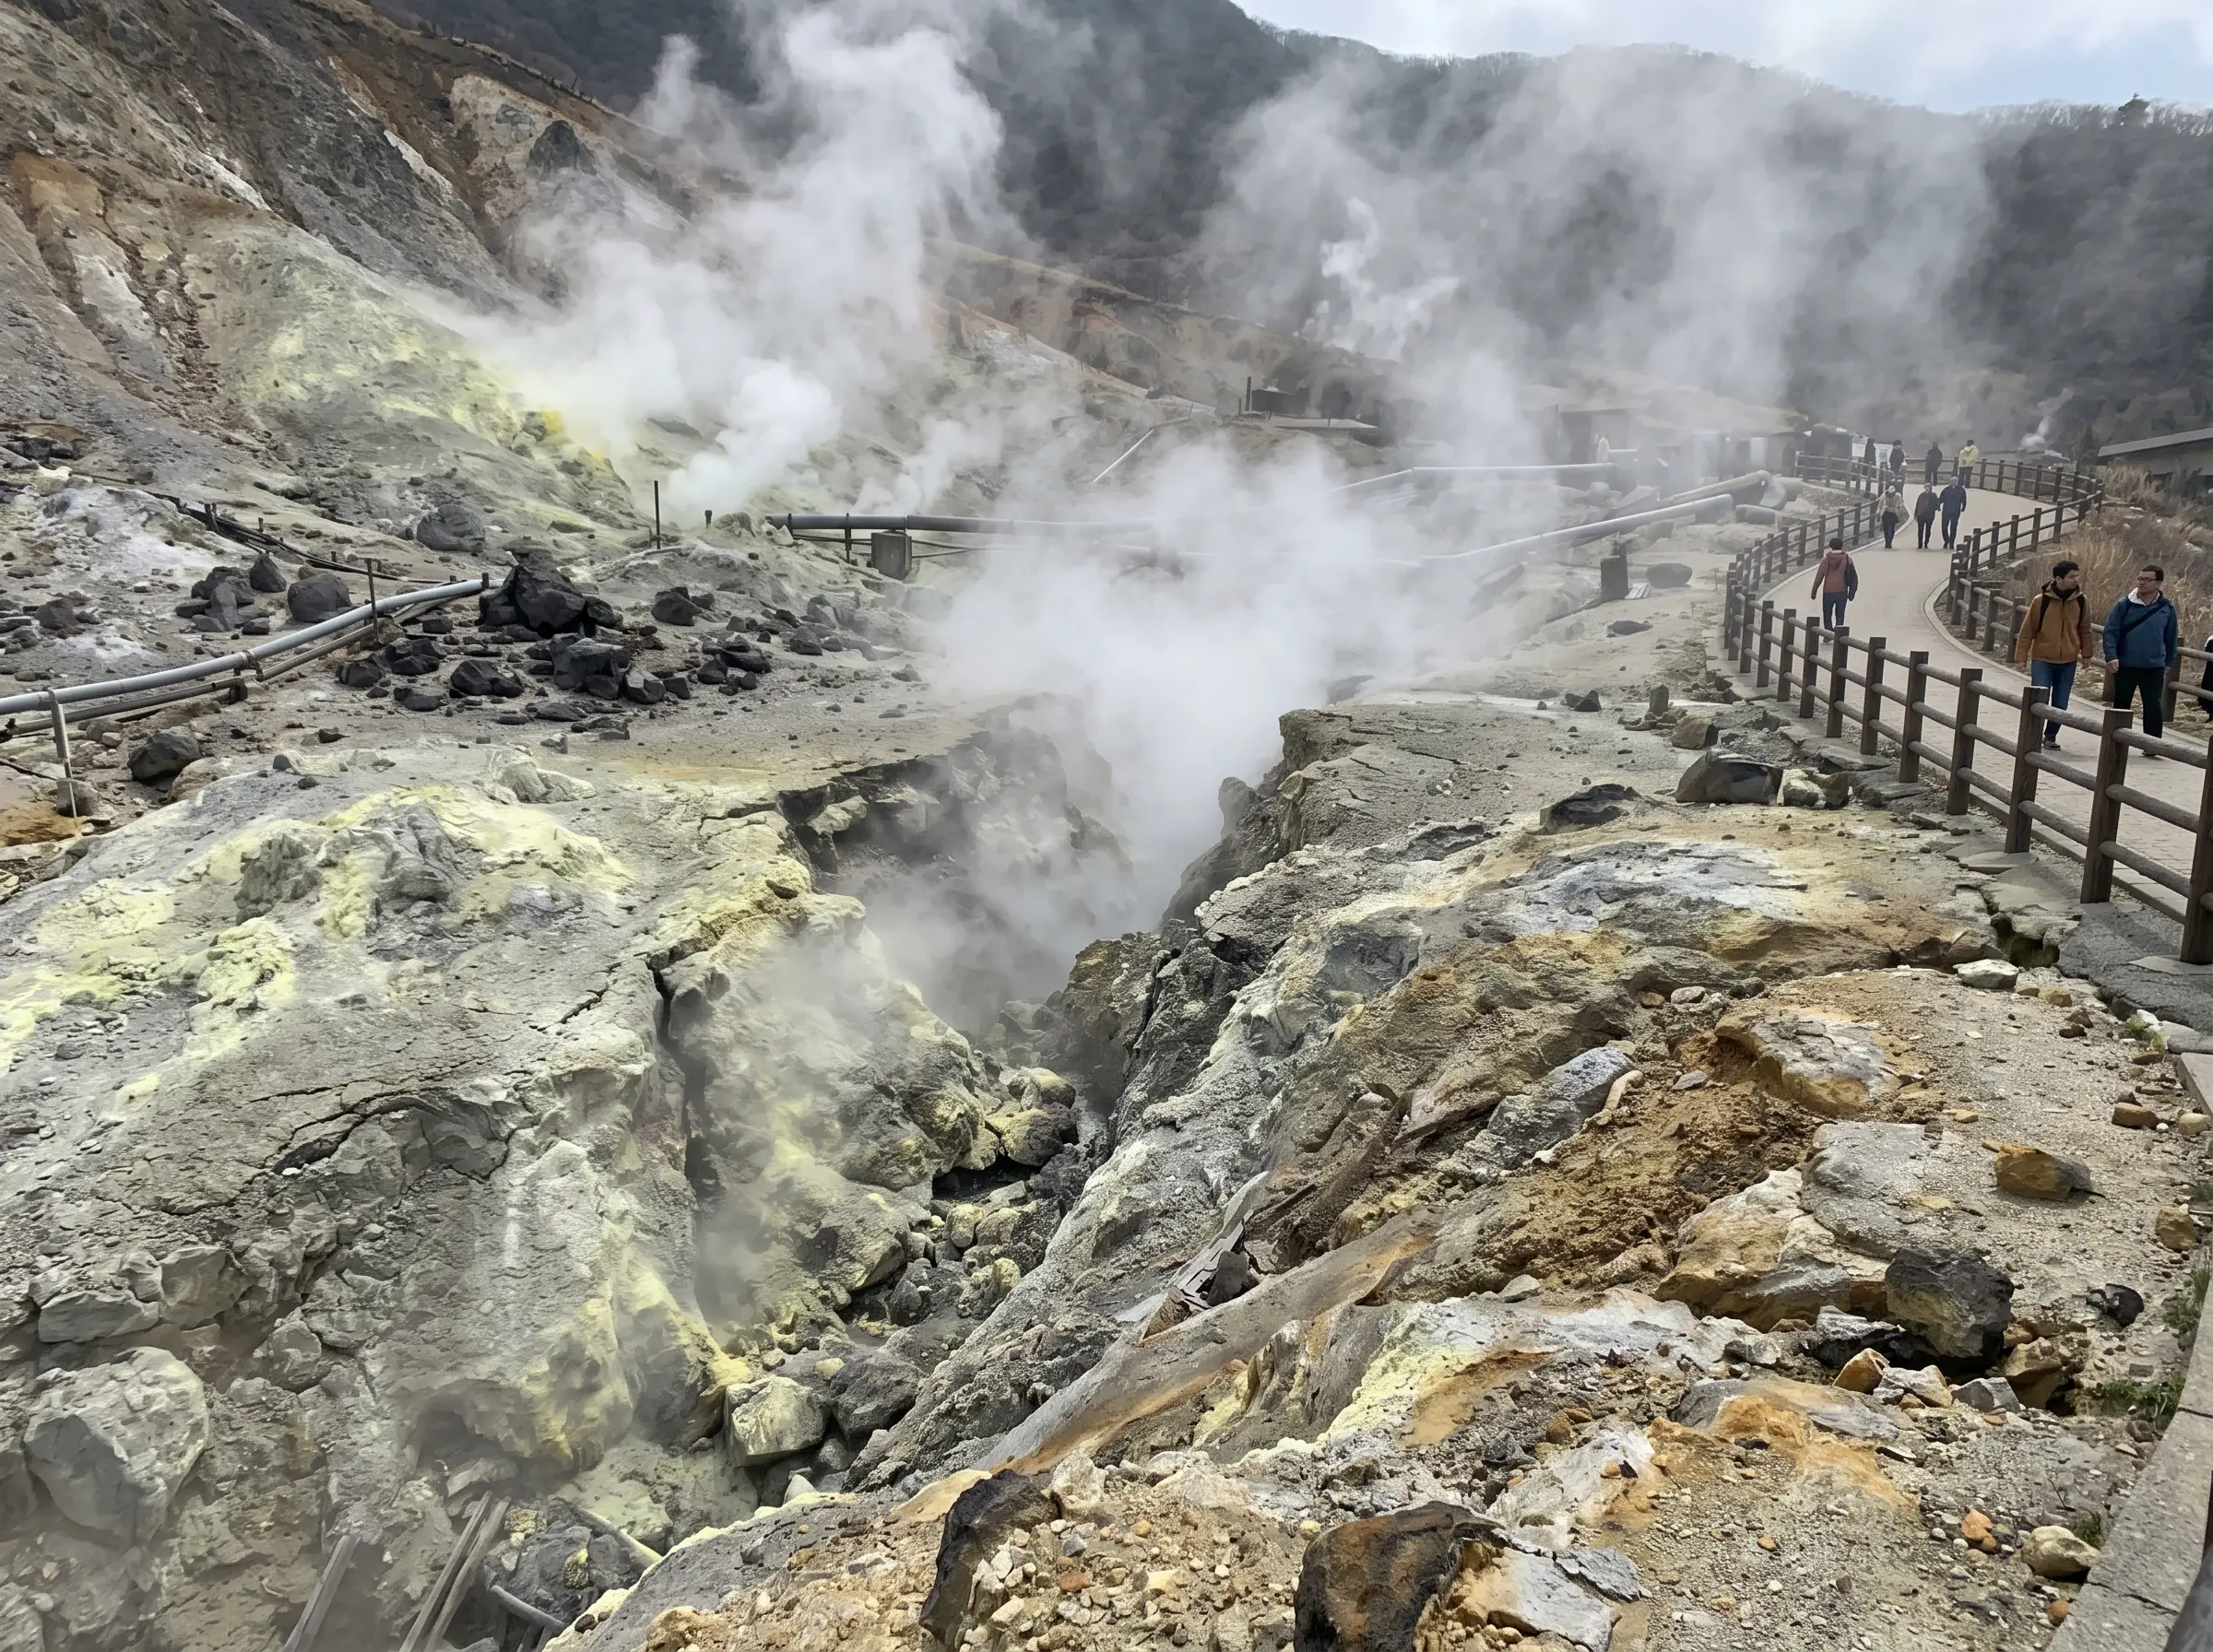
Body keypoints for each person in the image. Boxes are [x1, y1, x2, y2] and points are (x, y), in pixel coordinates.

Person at [2013, 560, 2095, 748]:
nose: (2076, 580)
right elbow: (2027, 631)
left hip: (2068, 660)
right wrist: (2021, 658)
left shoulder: (2081, 601)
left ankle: (2050, 736)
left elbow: (2085, 629)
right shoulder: (2041, 601)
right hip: (2043, 659)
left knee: (2061, 703)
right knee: (2038, 698)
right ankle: (2032, 735)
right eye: (2071, 577)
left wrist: (2087, 654)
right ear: (2058, 578)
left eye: (2077, 576)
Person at [2103, 564, 2180, 746]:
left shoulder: (2166, 608)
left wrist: (2169, 660)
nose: (2142, 583)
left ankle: (2152, 745)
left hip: (2154, 666)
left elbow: (2171, 636)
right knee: (2122, 704)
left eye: (2147, 579)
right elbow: (2110, 631)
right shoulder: (2124, 605)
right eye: (2140, 579)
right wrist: (2111, 656)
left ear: (2158, 583)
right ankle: (2116, 743)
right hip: (2126, 664)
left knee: (2153, 705)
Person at [1810, 535, 1856, 631]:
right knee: (1840, 614)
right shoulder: (1847, 559)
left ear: (1831, 546)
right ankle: (1838, 633)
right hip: (1842, 590)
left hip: (1828, 591)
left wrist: (1814, 591)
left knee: (1827, 613)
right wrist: (1852, 592)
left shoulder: (1826, 560)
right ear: (1841, 546)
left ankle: (1828, 633)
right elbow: (1853, 577)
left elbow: (1819, 576)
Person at [1939, 476, 1968, 549]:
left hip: (1955, 511)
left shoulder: (1961, 490)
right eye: (1952, 480)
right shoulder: (1946, 490)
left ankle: (1952, 542)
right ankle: (1946, 541)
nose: (1954, 482)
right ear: (1950, 481)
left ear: (1957, 482)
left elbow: (1964, 499)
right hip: (1946, 511)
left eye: (1955, 481)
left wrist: (1963, 507)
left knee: (1953, 527)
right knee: (1944, 527)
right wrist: (1937, 506)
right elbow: (1940, 499)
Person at [1913, 482, 1939, 549]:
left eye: (1928, 487)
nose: (1927, 489)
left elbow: (1937, 505)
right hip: (1921, 515)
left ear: (1930, 488)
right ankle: (1920, 544)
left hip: (1929, 515)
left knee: (1928, 529)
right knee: (1920, 530)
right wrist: (1915, 514)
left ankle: (1926, 543)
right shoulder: (1921, 495)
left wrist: (1934, 508)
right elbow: (1917, 505)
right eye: (1926, 487)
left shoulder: (1934, 496)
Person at [1879, 483, 1903, 548]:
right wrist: (1879, 510)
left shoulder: (1898, 495)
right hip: (1886, 513)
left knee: (1892, 529)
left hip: (1893, 513)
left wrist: (1899, 513)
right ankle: (1887, 542)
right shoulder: (1884, 495)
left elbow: (1900, 505)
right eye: (1890, 489)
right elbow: (1880, 502)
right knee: (1886, 529)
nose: (1891, 491)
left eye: (1893, 489)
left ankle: (1890, 542)